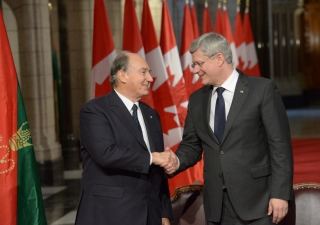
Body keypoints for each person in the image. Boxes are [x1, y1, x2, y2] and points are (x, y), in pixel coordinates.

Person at [164, 32, 293, 225]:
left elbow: (280, 146)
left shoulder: (262, 90)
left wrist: (280, 194)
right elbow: (192, 145)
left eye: (199, 63)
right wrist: (174, 160)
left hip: (259, 203)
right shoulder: (197, 99)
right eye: (194, 64)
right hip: (217, 206)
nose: (195, 70)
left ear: (219, 58)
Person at [75, 51, 173, 225]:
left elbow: (158, 170)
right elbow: (106, 154)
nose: (150, 78)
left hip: (151, 215)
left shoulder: (151, 115)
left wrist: (164, 211)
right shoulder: (95, 110)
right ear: (122, 75)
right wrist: (153, 157)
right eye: (143, 72)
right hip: (110, 214)